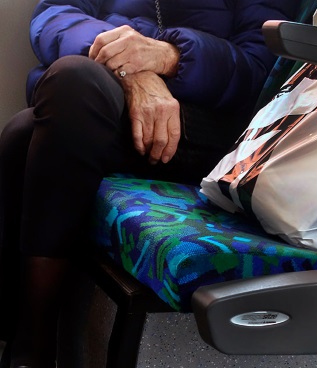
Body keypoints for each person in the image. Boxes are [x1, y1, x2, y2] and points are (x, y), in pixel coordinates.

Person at [0, 1, 300, 366]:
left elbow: (262, 66)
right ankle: (26, 348)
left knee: (45, 111)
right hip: (101, 95)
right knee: (28, 128)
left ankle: (32, 345)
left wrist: (171, 57)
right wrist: (131, 67)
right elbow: (54, 18)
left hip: (206, 125)